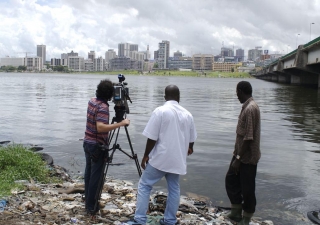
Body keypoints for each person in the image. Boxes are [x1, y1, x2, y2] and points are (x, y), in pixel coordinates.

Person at [127, 85, 197, 225]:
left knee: (145, 185)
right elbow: (192, 140)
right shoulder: (188, 115)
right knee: (174, 189)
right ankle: (170, 220)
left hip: (160, 158)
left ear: (165, 97)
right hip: (177, 159)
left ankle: (140, 219)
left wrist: (146, 155)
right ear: (179, 97)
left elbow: (152, 137)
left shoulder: (160, 111)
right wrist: (189, 148)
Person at [83, 79, 130, 216]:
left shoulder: (92, 101)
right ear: (109, 94)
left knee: (89, 175)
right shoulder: (103, 107)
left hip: (87, 142)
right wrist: (121, 123)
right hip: (97, 145)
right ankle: (92, 208)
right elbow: (101, 127)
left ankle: (88, 202)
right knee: (96, 178)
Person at [225, 81, 261, 225]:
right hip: (239, 153)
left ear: (240, 91)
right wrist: (237, 155)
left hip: (247, 157)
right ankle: (236, 210)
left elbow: (249, 137)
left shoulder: (250, 109)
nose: (236, 96)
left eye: (236, 92)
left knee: (247, 188)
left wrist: (238, 159)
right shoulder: (246, 107)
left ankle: (246, 217)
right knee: (231, 180)